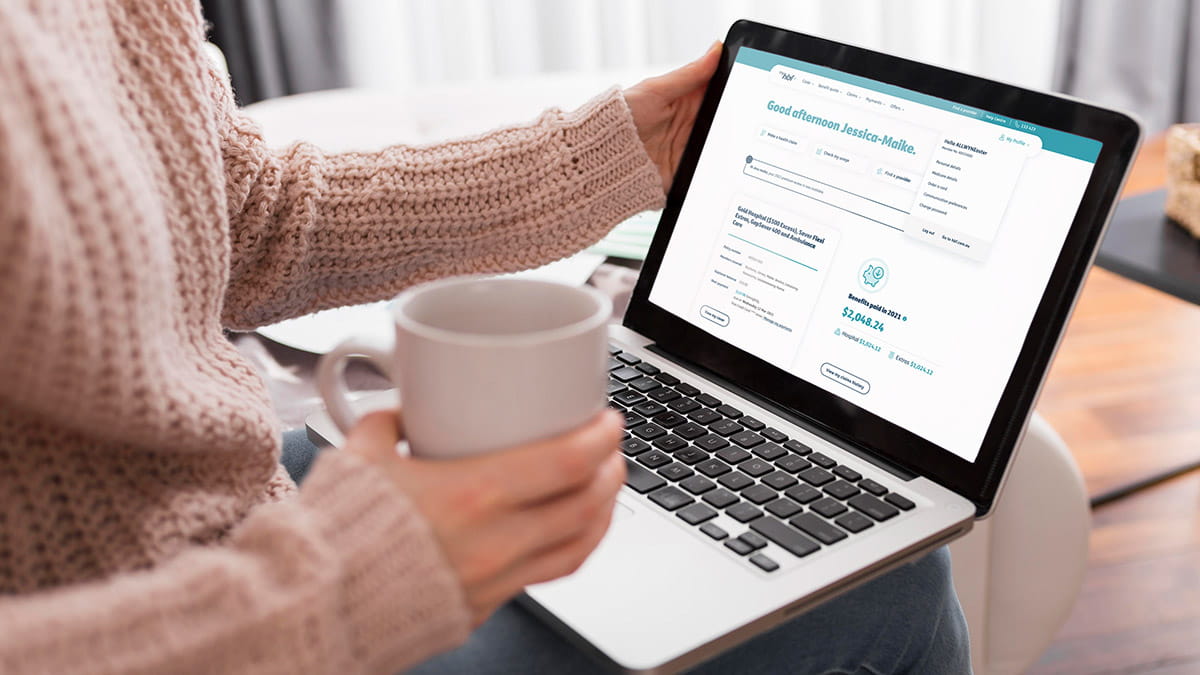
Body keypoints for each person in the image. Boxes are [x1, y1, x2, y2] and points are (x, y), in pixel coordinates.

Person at [0, 1, 970, 673]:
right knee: (900, 592)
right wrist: (345, 586)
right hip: (187, 618)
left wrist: (617, 155)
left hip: (216, 503)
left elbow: (242, 217)